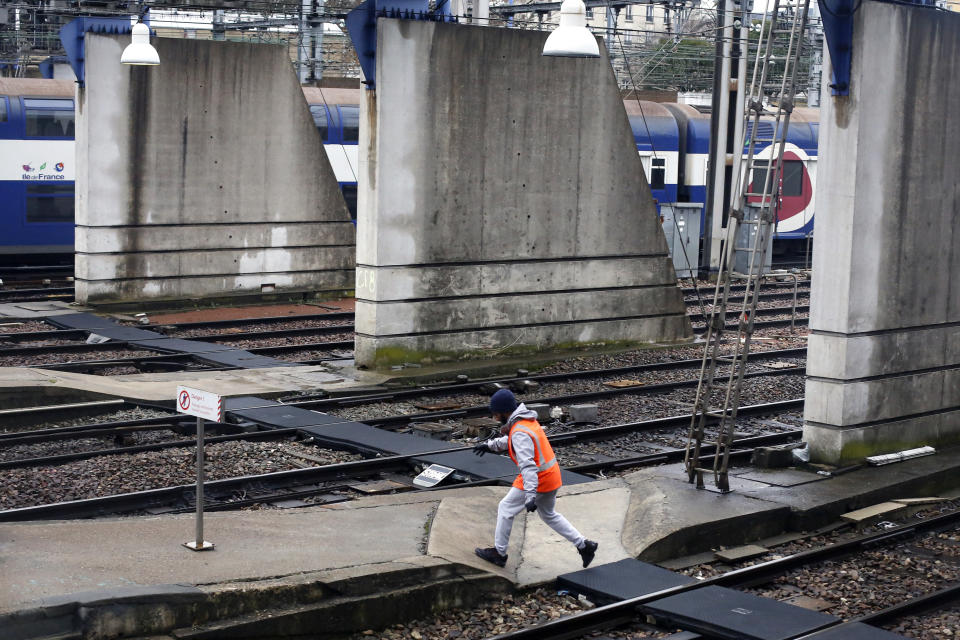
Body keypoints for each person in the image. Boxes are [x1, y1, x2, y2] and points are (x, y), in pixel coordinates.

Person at [472, 388, 598, 569]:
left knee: (505, 508)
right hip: (551, 476)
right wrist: (490, 445)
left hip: (538, 479)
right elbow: (511, 440)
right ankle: (584, 545)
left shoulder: (519, 431)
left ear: (504, 412)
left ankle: (499, 554)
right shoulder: (525, 421)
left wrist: (530, 495)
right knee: (548, 514)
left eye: (496, 414)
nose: (495, 418)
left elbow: (528, 464)